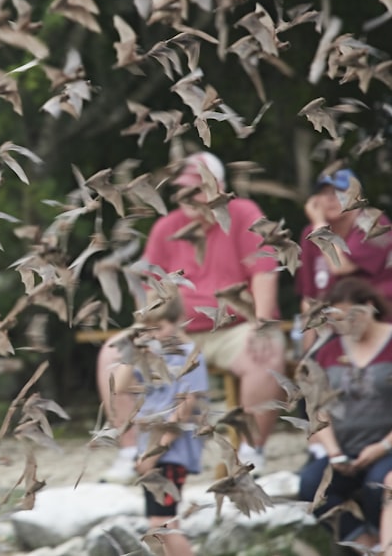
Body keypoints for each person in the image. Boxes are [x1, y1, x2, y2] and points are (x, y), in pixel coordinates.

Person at [97, 151, 282, 482]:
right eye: (183, 189)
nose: (189, 196)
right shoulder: (165, 226)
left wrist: (261, 324)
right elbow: (151, 291)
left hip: (233, 327)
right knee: (112, 354)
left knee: (266, 352)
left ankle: (252, 454)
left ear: (220, 188)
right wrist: (145, 332)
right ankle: (130, 452)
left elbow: (264, 274)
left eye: (197, 188)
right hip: (174, 328)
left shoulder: (245, 214)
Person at [297, 277, 392, 553]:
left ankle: (382, 538)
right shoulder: (326, 352)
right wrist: (334, 451)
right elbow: (318, 408)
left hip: (386, 448)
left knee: (379, 484)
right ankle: (366, 544)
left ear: (370, 307)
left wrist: (383, 446)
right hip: (344, 449)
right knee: (312, 485)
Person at [123, 291, 207, 556]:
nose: (155, 334)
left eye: (160, 327)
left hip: (171, 452)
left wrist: (155, 451)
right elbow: (123, 385)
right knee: (162, 524)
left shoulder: (189, 355)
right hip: (149, 447)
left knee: (162, 523)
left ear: (179, 321)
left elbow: (185, 408)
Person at [297, 168, 392, 351]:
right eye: (324, 193)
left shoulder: (373, 223)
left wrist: (319, 226)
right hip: (332, 331)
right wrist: (308, 349)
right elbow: (309, 298)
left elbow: (340, 266)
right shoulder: (310, 234)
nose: (331, 198)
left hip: (378, 328)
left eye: (340, 191)